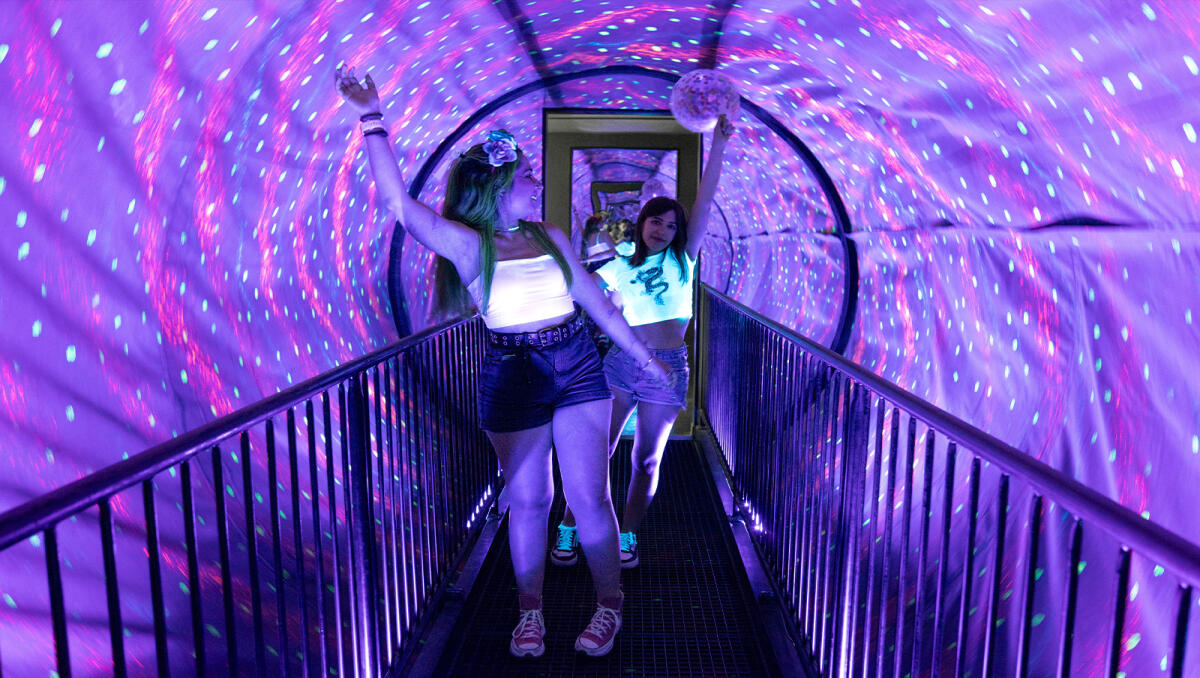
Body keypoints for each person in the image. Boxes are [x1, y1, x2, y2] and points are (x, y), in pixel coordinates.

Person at [334, 65, 672, 658]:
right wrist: (371, 118)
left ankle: (609, 604)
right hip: (512, 374)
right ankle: (530, 612)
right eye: (528, 177)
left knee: (589, 496)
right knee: (531, 499)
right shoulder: (471, 245)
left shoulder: (550, 236)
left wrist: (646, 360)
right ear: (499, 187)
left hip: (575, 365)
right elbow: (400, 207)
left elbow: (598, 307)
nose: (536, 185)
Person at [552, 114, 734, 569]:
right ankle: (570, 524)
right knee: (599, 451)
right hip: (621, 364)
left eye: (671, 226)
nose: (662, 230)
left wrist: (718, 145)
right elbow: (584, 293)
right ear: (642, 222)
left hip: (668, 367)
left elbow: (705, 201)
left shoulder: (683, 260)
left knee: (647, 460)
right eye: (656, 221)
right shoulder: (619, 264)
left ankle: (628, 534)